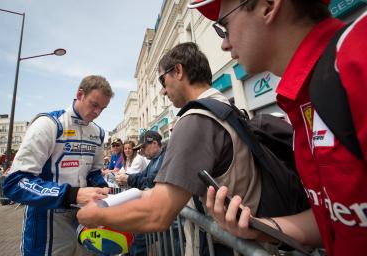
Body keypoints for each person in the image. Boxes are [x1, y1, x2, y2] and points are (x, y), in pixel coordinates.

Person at [189, 0, 367, 255]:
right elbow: (335, 217)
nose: (224, 44)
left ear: (268, 5)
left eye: (224, 27)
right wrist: (262, 228)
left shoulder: (358, 55)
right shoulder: (304, 96)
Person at [77, 43, 267, 253]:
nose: (163, 90)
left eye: (162, 80)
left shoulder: (197, 118)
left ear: (178, 71)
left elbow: (158, 213)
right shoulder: (224, 107)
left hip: (228, 246)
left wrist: (98, 215)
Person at [2, 75, 114, 256]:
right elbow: (15, 182)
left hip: (85, 221)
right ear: (80, 94)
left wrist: (102, 189)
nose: (97, 113)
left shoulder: (98, 133)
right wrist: (71, 195)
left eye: (103, 108)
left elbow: (94, 172)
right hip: (46, 224)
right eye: (94, 105)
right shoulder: (49, 124)